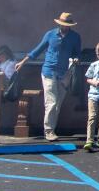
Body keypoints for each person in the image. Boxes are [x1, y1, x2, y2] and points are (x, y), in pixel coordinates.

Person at [15, 12, 81, 142]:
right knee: (51, 102)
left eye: (67, 24)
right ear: (59, 24)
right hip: (49, 72)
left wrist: (76, 60)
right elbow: (37, 50)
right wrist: (23, 62)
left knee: (58, 104)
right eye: (63, 24)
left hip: (64, 73)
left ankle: (51, 129)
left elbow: (77, 54)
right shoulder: (50, 34)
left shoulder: (75, 37)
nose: (65, 26)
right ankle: (49, 131)